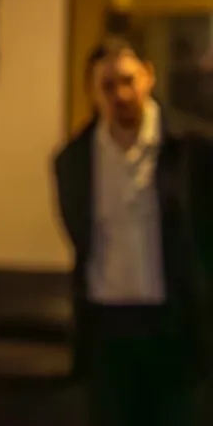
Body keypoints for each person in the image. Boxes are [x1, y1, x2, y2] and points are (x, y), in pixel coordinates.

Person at [53, 37, 213, 426]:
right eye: (108, 85)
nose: (121, 95)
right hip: (106, 327)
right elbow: (80, 237)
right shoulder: (73, 160)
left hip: (175, 326)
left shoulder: (193, 149)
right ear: (92, 91)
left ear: (148, 76)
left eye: (128, 80)